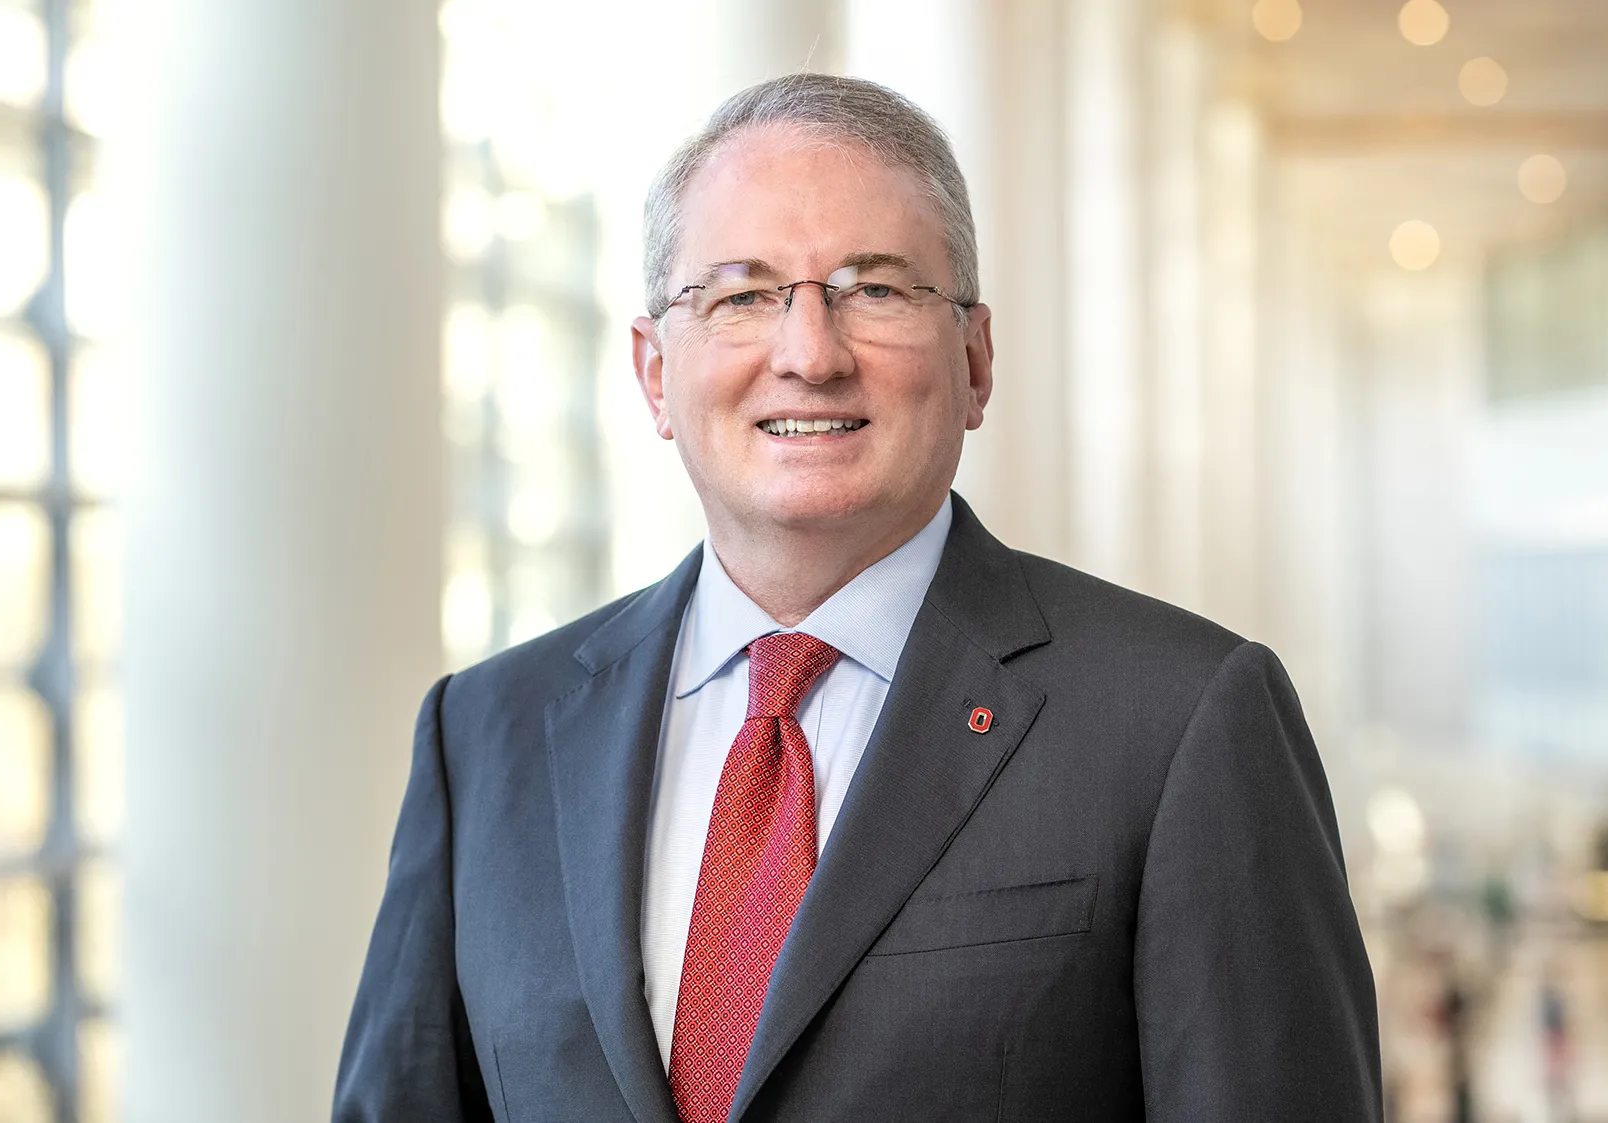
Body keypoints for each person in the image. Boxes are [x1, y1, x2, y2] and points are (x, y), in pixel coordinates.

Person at [333, 73, 1379, 1123]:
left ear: (973, 361)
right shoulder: (485, 735)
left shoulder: (1179, 720)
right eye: (741, 295)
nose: (808, 354)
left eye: (872, 290)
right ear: (655, 373)